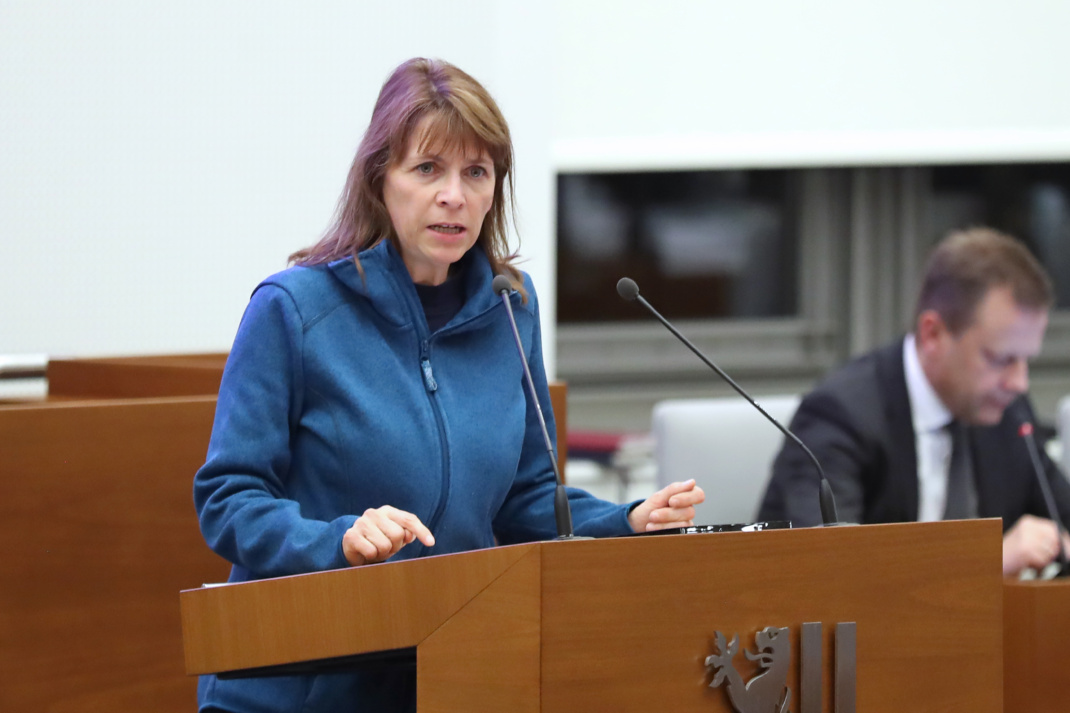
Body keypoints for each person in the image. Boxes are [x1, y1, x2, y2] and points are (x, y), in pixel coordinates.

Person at [192, 57, 704, 713]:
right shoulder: (293, 309)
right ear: (381, 180)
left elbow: (526, 496)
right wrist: (338, 539)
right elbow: (228, 496)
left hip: (447, 676)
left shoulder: (509, 307)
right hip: (299, 684)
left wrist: (626, 520)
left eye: (476, 173)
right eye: (428, 169)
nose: (453, 195)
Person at [758, 227, 1070, 577]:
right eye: (1000, 359)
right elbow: (829, 572)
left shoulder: (1009, 411)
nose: (1019, 382)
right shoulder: (839, 414)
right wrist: (986, 563)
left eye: (1026, 360)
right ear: (933, 334)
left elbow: (1061, 515)